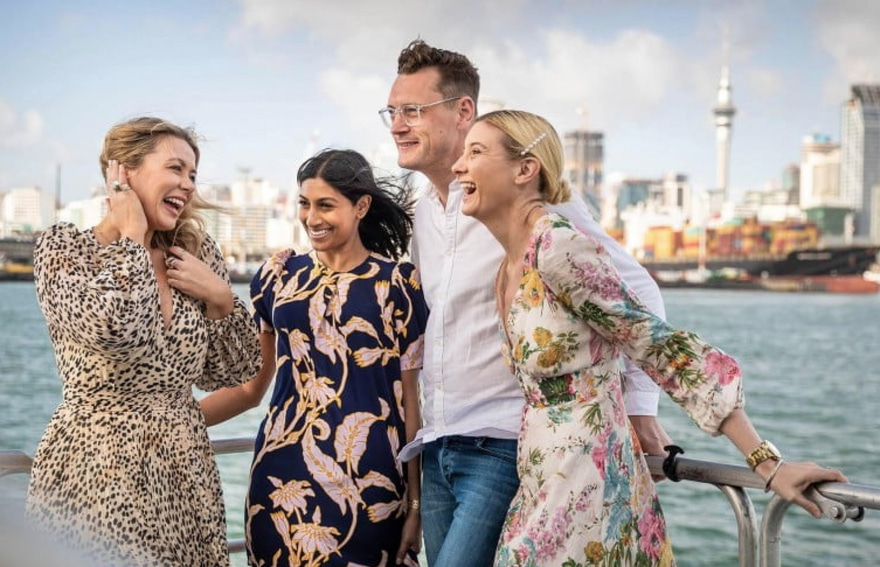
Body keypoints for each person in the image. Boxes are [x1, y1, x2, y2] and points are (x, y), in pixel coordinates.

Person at [452, 108, 848, 565]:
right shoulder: (508, 266)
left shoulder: (559, 248)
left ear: (525, 169)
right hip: (542, 476)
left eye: (475, 152)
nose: (459, 166)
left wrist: (765, 462)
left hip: (589, 482)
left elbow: (657, 345)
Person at [383, 39, 673, 566]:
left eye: (413, 111)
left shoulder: (536, 205)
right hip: (439, 444)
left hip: (500, 443)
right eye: (392, 113)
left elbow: (637, 292)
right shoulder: (422, 214)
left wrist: (640, 407)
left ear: (463, 111)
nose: (398, 125)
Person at [26, 116, 262, 566]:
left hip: (185, 474)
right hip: (95, 470)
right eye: (175, 168)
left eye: (193, 174)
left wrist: (220, 299)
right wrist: (133, 239)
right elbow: (116, 331)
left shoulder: (193, 255)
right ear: (124, 172)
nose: (188, 184)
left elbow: (234, 370)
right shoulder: (64, 249)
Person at [200, 148, 429, 566]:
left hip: (371, 481)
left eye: (326, 205)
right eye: (305, 203)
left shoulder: (398, 283)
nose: (311, 217)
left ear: (361, 206)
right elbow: (251, 387)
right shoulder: (278, 276)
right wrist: (167, 419)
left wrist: (415, 504)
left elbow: (412, 403)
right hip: (279, 475)